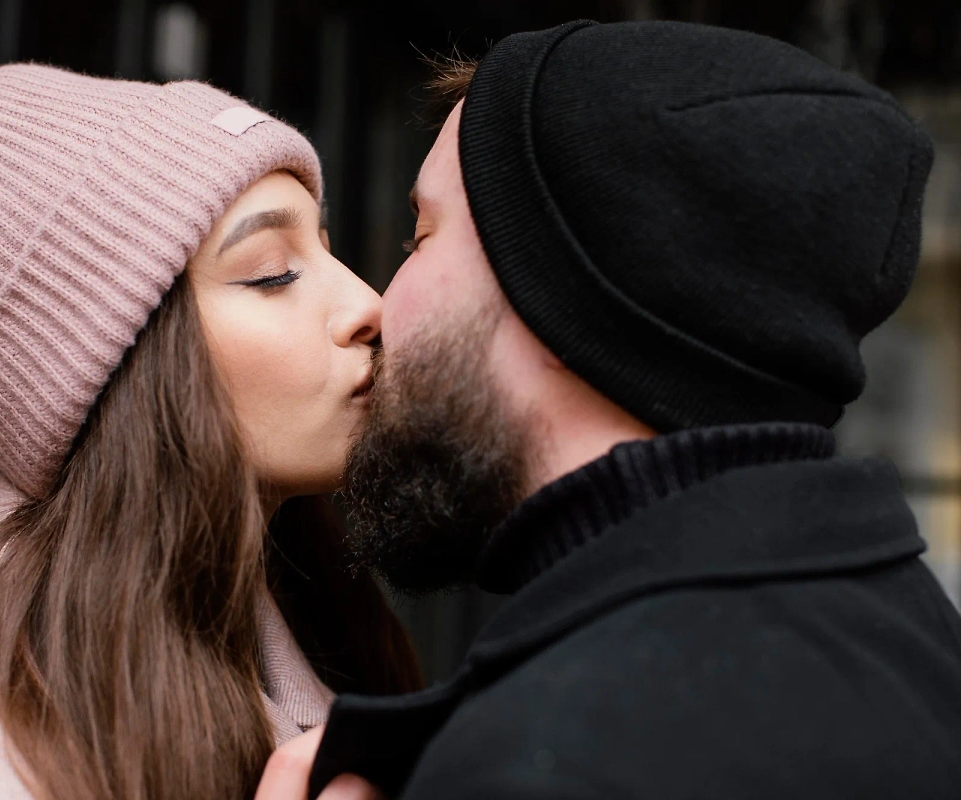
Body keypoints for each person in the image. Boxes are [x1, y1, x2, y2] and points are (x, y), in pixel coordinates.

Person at [283, 19, 961, 800]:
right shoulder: (904, 640)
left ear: (556, 297)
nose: (377, 305)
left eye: (420, 238)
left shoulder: (555, 752)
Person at [0, 64, 420, 800]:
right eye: (272, 273)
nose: (368, 304)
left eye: (325, 250)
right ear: (109, 372)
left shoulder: (352, 686)